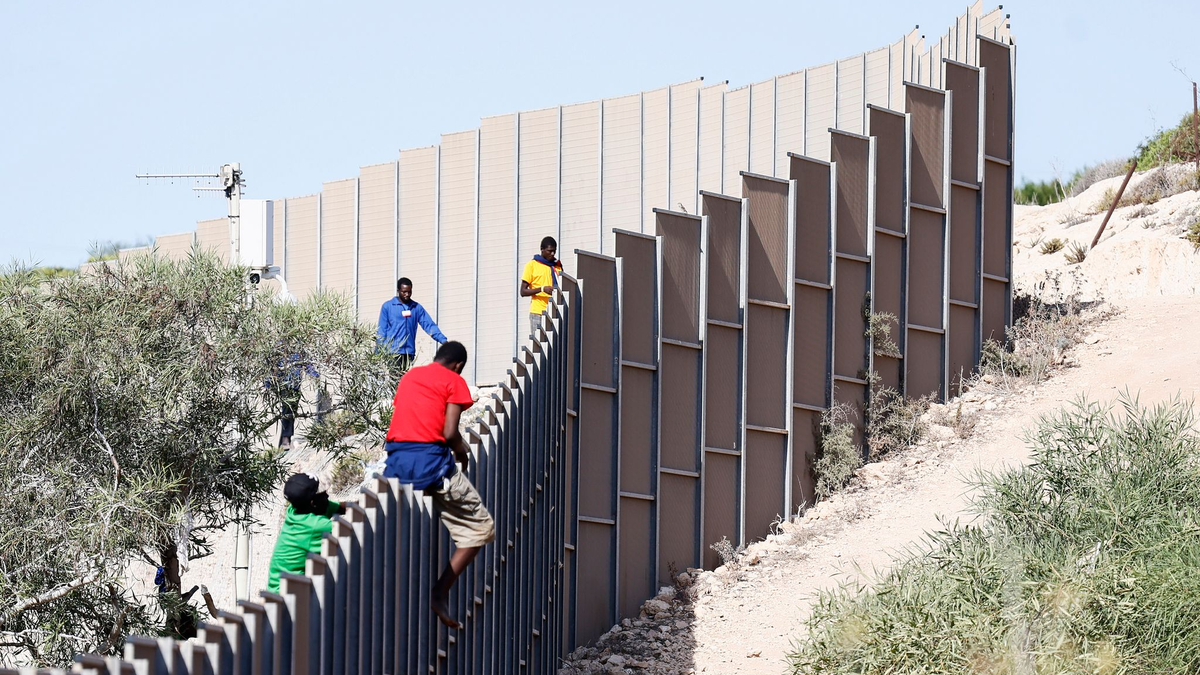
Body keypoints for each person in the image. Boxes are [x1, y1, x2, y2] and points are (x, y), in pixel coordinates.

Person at [383, 341, 495, 629]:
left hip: (396, 463)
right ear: (458, 365)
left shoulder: (410, 376)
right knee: (481, 529)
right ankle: (439, 593)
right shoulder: (454, 381)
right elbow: (448, 432)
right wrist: (462, 452)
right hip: (430, 465)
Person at [266, 473, 346, 593]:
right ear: (313, 503)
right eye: (323, 494)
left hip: (277, 590)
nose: (327, 495)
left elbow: (341, 507)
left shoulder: (294, 510)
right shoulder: (316, 526)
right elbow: (354, 533)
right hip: (287, 597)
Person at [377, 277, 448, 380]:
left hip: (408, 352)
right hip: (393, 352)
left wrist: (443, 341)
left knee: (404, 380)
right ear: (398, 291)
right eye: (404, 292)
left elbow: (428, 325)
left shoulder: (416, 308)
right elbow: (381, 330)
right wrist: (378, 353)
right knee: (396, 380)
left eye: (409, 292)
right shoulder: (388, 307)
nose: (407, 295)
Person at [520, 236, 564, 337]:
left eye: (554, 251)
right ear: (542, 250)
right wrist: (542, 289)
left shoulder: (557, 265)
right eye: (549, 251)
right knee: (539, 347)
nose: (552, 254)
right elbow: (523, 291)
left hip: (556, 312)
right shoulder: (532, 265)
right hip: (538, 313)